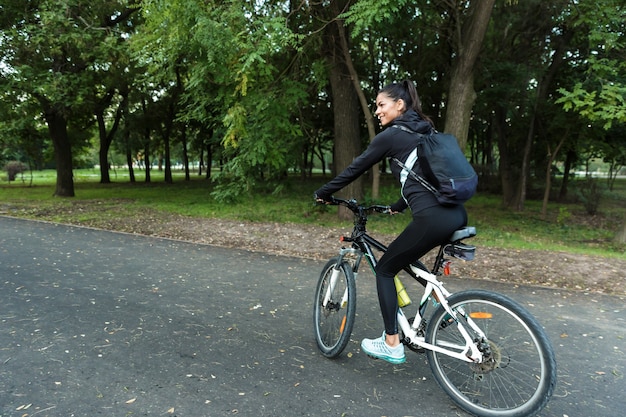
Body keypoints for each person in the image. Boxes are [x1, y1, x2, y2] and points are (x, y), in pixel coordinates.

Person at [314, 80, 467, 364]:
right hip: (455, 212)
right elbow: (425, 180)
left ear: (400, 105)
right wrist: (398, 205)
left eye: (381, 104)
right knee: (407, 258)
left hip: (433, 217)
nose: (377, 111)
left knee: (385, 269)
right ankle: (448, 312)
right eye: (375, 106)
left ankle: (392, 343)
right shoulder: (425, 131)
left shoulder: (392, 136)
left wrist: (324, 192)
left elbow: (355, 168)